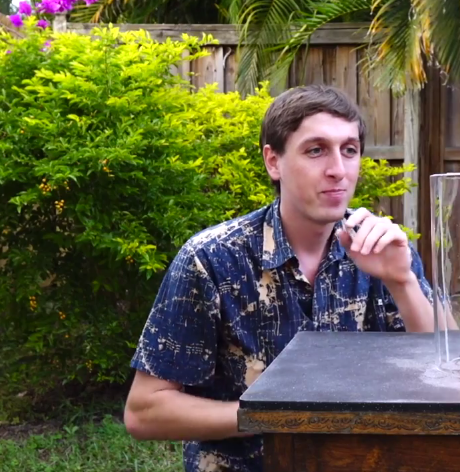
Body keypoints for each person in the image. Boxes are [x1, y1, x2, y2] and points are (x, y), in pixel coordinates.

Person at [122, 84, 442, 472]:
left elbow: (451, 370)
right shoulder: (212, 259)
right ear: (274, 161)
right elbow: (145, 411)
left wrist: (402, 281)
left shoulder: (381, 249)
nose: (338, 170)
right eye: (316, 150)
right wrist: (276, 416)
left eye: (349, 150)